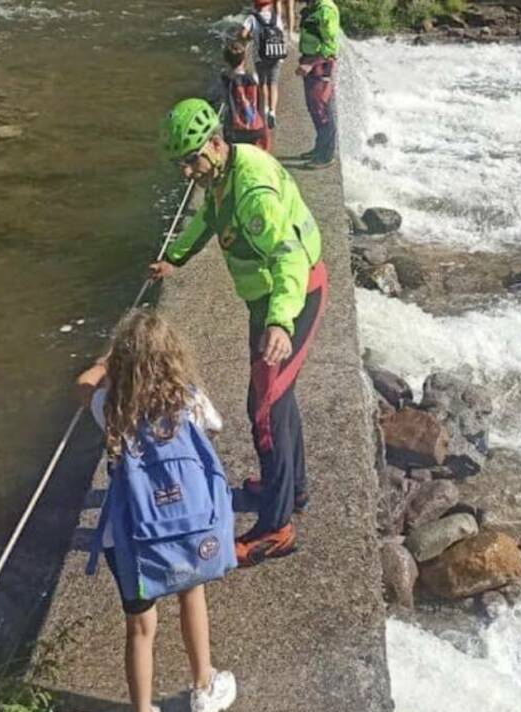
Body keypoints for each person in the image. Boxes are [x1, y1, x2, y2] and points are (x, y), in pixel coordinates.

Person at [150, 98, 328, 568]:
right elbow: (210, 217)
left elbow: (288, 256)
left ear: (214, 143)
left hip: (292, 297)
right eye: (180, 164)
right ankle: (291, 488)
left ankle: (277, 529)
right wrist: (178, 257)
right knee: (278, 400)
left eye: (191, 159)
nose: (187, 172)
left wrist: (278, 323)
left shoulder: (251, 192)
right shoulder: (223, 174)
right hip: (269, 298)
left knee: (266, 408)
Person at [76, 310, 237, 712]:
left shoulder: (109, 407)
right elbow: (216, 427)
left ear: (124, 362)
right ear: (173, 357)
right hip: (185, 527)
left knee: (141, 629)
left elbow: (81, 383)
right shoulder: (190, 400)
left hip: (130, 537)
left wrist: (107, 362)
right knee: (192, 595)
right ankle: (203, 691)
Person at [296, 0, 340, 169]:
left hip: (321, 65)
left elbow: (330, 46)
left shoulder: (326, 10)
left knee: (321, 108)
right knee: (313, 107)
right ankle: (319, 147)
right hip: (311, 61)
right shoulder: (314, 8)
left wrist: (311, 64)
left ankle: (326, 155)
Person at [240, 0, 288, 130]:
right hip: (276, 55)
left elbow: (242, 35)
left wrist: (251, 36)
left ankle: (265, 109)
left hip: (260, 56)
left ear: (255, 5)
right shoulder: (276, 17)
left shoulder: (252, 18)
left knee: (263, 83)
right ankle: (273, 111)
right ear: (270, 4)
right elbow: (281, 34)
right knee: (273, 83)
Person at [221, 39, 271, 152]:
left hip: (234, 128)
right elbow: (261, 101)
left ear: (226, 61)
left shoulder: (226, 79)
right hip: (254, 126)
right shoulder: (253, 77)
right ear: (244, 59)